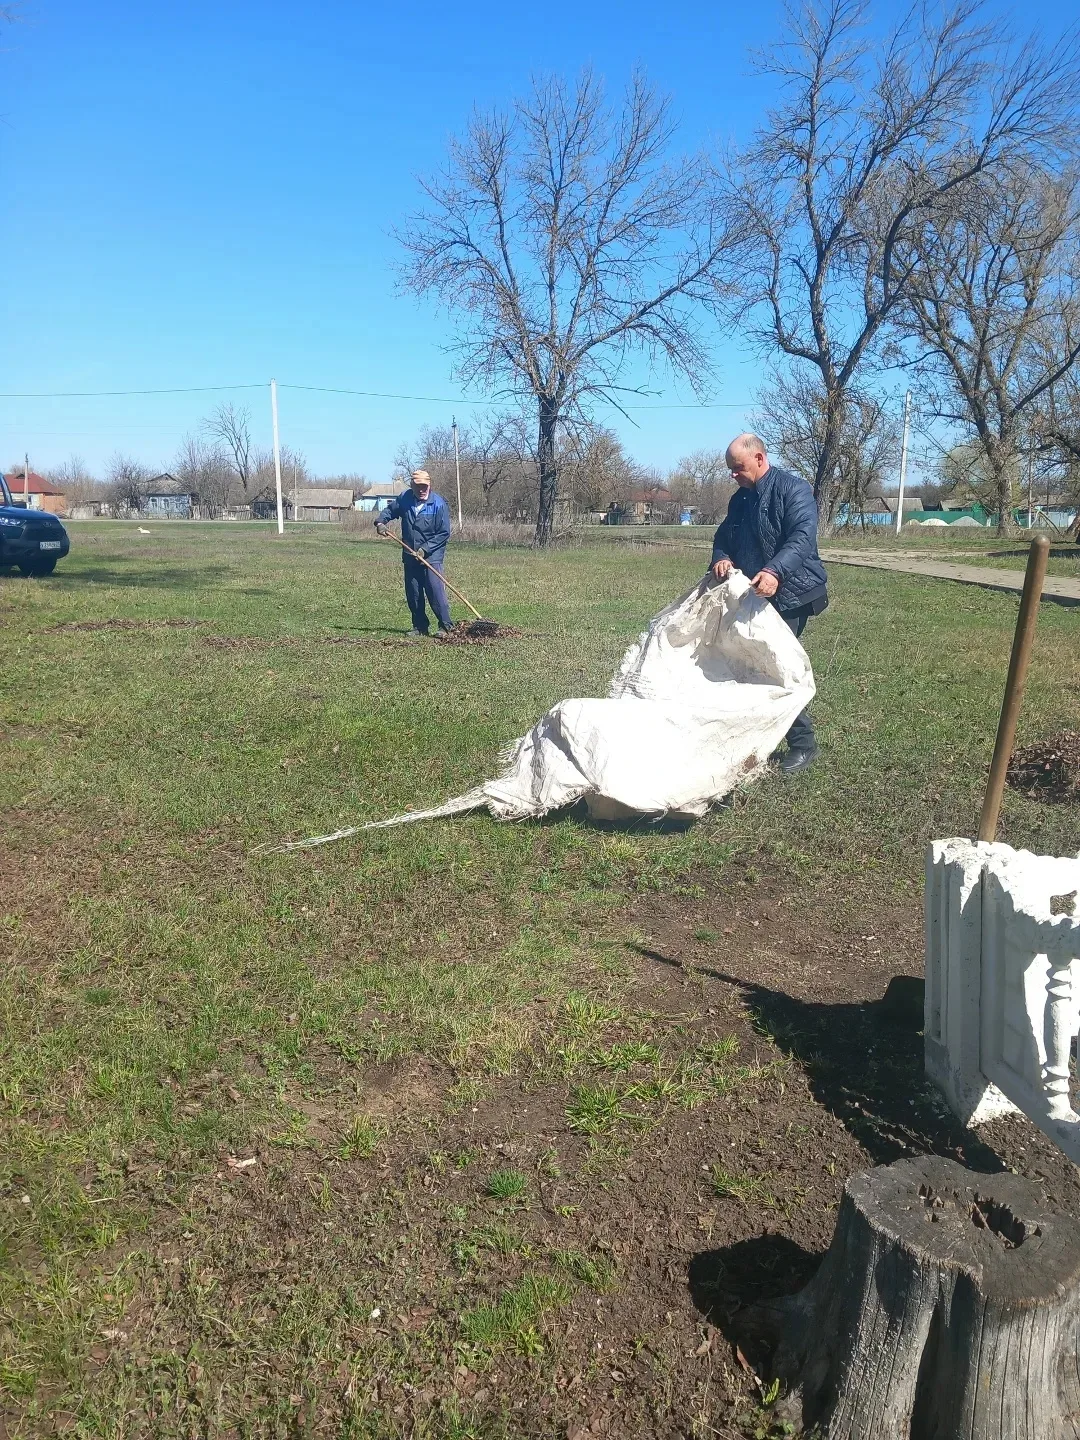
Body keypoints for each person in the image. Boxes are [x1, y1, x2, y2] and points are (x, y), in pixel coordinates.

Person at [709, 433, 828, 775]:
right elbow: (724, 537)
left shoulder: (794, 490)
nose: (733, 474)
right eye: (731, 469)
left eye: (738, 467)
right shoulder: (739, 499)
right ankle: (755, 737)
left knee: (774, 668)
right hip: (754, 596)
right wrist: (721, 557)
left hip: (793, 594)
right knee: (748, 665)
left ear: (759, 459)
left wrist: (775, 571)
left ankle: (803, 744)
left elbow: (802, 538)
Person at [376, 470, 453, 638]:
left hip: (431, 556)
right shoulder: (405, 498)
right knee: (414, 592)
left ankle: (446, 627)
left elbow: (444, 533)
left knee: (435, 591)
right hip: (410, 554)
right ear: (412, 485)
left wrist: (425, 549)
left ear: (429, 485)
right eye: (418, 486)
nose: (422, 490)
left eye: (425, 486)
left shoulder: (438, 504)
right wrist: (381, 522)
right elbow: (390, 510)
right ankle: (420, 627)